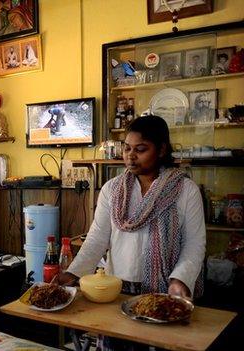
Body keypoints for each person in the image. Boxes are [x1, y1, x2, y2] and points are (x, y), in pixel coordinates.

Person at [55, 115, 205, 350]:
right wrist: (73, 273)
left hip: (163, 292)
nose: (130, 155)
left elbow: (194, 244)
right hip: (115, 291)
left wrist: (179, 281)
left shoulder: (185, 190)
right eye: (127, 148)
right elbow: (97, 238)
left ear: (162, 149)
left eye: (141, 149)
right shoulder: (112, 189)